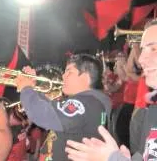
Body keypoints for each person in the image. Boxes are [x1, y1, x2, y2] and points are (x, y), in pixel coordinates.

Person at [65, 18, 157, 161]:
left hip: (129, 104)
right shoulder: (153, 112)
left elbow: (127, 77)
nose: (142, 59)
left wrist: (113, 158)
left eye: (153, 48)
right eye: (143, 49)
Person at [15, 53, 111, 160]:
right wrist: (32, 87)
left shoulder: (84, 103)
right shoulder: (91, 103)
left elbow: (44, 115)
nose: (63, 76)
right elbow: (52, 110)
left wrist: (26, 88)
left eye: (69, 72)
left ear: (85, 77)